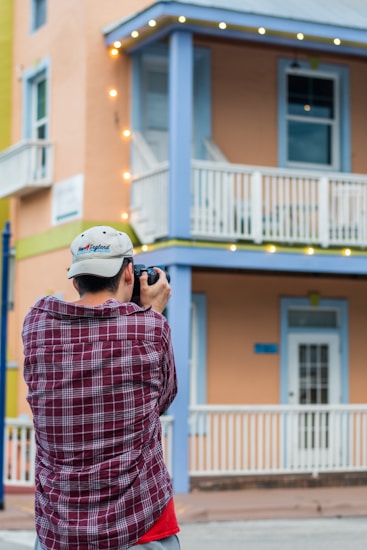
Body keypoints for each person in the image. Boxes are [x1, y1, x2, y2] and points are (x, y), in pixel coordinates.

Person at [22, 225, 180, 550]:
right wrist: (153, 311)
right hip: (139, 524)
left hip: (58, 530)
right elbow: (163, 399)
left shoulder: (37, 327)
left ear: (76, 279)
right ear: (127, 274)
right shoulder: (150, 327)